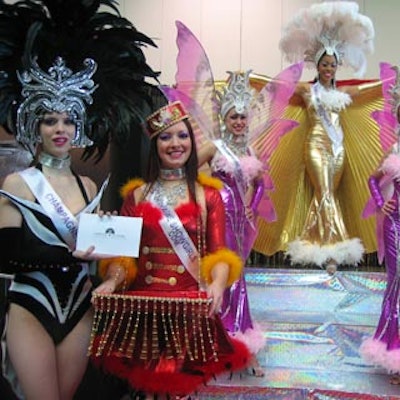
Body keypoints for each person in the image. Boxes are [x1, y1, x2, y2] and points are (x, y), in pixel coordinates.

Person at [89, 100, 250, 399]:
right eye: (165, 137)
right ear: (155, 146)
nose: (175, 144)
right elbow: (124, 258)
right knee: (146, 391)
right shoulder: (137, 195)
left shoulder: (208, 195)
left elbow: (218, 254)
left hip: (189, 310)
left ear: (191, 141)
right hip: (143, 311)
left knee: (175, 389)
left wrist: (217, 284)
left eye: (182, 136)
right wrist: (111, 281)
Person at [0, 57, 107, 400]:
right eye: (50, 120)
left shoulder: (89, 187)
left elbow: (98, 254)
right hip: (32, 304)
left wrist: (109, 237)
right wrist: (66, 252)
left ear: (78, 128)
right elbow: (7, 258)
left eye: (68, 120)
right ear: (36, 126)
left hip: (80, 306)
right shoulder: (18, 183)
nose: (60, 129)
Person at [257, 1, 381, 274]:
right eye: (324, 64)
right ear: (317, 65)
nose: (328, 68)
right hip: (314, 146)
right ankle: (335, 251)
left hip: (338, 150)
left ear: (337, 66)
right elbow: (277, 85)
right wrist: (251, 78)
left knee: (328, 195)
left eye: (332, 64)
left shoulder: (345, 94)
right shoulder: (306, 90)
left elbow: (371, 89)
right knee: (324, 191)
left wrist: (390, 83)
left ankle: (315, 244)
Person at [359, 62, 400, 384]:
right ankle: (393, 350)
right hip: (396, 223)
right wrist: (380, 202)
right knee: (398, 282)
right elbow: (373, 180)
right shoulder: (394, 149)